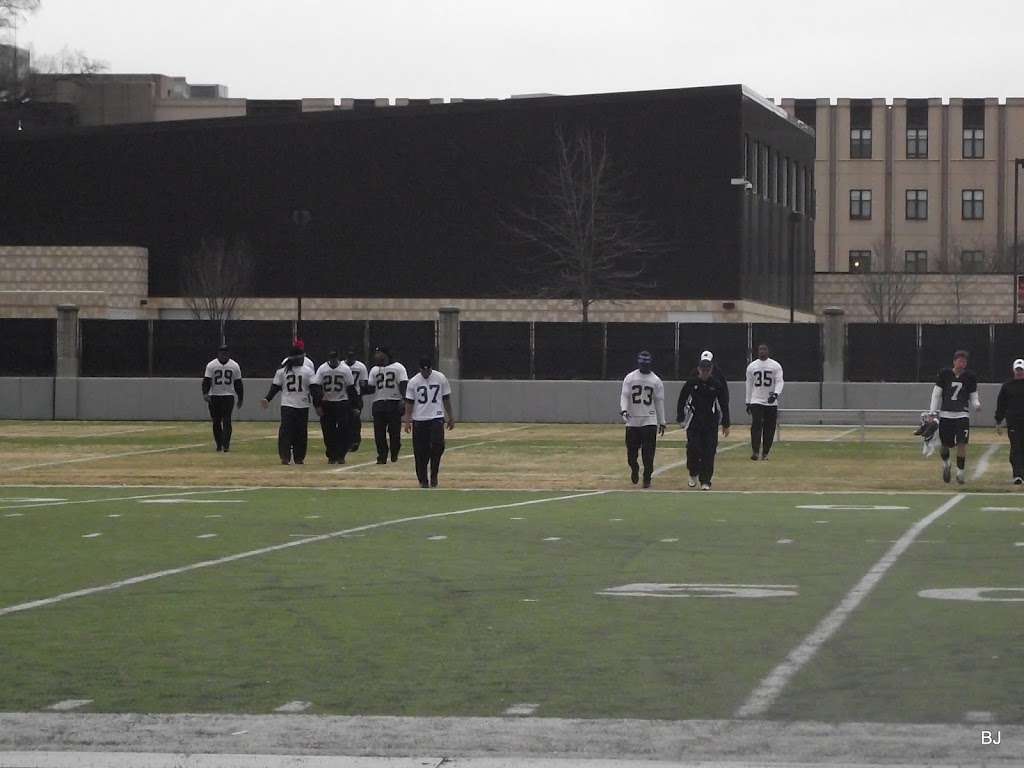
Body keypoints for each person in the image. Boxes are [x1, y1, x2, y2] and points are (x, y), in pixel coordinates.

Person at [677, 356, 731, 489]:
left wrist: (726, 423)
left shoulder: (716, 384)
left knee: (709, 450)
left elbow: (724, 403)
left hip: (710, 422)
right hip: (694, 421)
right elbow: (682, 399)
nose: (705, 373)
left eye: (707, 370)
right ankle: (693, 472)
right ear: (698, 370)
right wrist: (680, 416)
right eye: (703, 370)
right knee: (693, 447)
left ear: (711, 370)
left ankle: (706, 480)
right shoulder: (691, 383)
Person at [929, 349, 980, 485]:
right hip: (946, 414)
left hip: (962, 415)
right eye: (959, 360)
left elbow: (974, 396)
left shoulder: (970, 377)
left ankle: (960, 472)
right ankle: (946, 464)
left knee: (962, 443)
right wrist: (932, 412)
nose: (962, 363)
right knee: (945, 445)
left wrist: (977, 405)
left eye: (964, 361)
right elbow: (936, 394)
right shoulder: (945, 374)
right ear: (954, 361)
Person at [403, 357, 455, 488]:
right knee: (420, 452)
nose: (426, 373)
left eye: (428, 370)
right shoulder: (414, 381)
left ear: (431, 368)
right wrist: (407, 420)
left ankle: (434, 475)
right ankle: (423, 479)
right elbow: (409, 402)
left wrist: (450, 416)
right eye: (424, 371)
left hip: (436, 417)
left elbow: (446, 398)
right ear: (420, 369)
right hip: (420, 419)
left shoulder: (440, 378)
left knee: (438, 446)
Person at [261, 346, 318, 465]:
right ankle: (299, 457)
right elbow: (314, 390)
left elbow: (275, 388)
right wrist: (318, 404)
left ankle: (285, 456)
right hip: (302, 405)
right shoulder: (308, 371)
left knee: (286, 432)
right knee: (301, 432)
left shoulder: (281, 372)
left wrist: (267, 398)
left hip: (287, 405)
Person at [619, 350, 666, 488]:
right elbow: (624, 396)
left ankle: (647, 477)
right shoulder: (630, 378)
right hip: (632, 421)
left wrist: (662, 421)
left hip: (649, 420)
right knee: (631, 455)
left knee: (648, 454)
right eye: (642, 363)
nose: (644, 366)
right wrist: (624, 410)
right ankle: (634, 468)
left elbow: (659, 401)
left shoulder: (656, 380)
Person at [311, 350, 358, 465]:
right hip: (327, 403)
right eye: (331, 359)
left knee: (344, 430)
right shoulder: (322, 369)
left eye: (334, 358)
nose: (332, 361)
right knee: (328, 432)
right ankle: (331, 455)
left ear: (338, 358)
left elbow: (351, 389)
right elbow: (316, 388)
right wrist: (317, 405)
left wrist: (355, 406)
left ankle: (341, 455)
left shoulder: (345, 369)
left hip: (342, 402)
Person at [365, 346, 409, 464]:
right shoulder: (374, 369)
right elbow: (371, 388)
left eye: (378, 353)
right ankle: (382, 455)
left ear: (385, 355)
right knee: (379, 433)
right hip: (378, 403)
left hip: (393, 402)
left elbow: (403, 385)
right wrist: (360, 388)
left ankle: (394, 452)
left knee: (394, 432)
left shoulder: (398, 367)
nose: (376, 356)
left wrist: (404, 400)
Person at [745, 342, 784, 461]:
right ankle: (755, 451)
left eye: (764, 349)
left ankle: (765, 453)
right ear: (757, 351)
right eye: (760, 349)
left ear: (768, 351)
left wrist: (776, 394)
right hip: (756, 400)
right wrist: (748, 401)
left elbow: (779, 381)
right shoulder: (752, 366)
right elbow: (749, 384)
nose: (762, 351)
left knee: (770, 428)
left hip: (771, 401)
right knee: (756, 425)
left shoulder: (775, 365)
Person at [201, 344, 243, 452]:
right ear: (218, 353)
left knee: (227, 420)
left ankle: (226, 444)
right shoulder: (211, 365)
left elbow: (238, 383)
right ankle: (219, 443)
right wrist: (205, 393)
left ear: (228, 353)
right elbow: (206, 381)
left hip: (228, 396)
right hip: (214, 396)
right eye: (221, 352)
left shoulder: (234, 366)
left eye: (225, 353)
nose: (223, 355)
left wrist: (240, 397)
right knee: (216, 421)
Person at [994, 359, 1024, 484]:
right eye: (1017, 370)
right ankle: (1017, 475)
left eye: (1021, 370)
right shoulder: (1007, 386)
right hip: (1013, 421)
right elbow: (1001, 404)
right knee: (1016, 447)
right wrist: (998, 421)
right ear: (1013, 370)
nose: (1019, 372)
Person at [345, 348, 369, 452]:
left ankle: (355, 441)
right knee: (346, 420)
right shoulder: (344, 366)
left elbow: (363, 383)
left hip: (355, 396)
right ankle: (347, 441)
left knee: (355, 420)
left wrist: (360, 398)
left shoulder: (361, 367)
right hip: (344, 396)